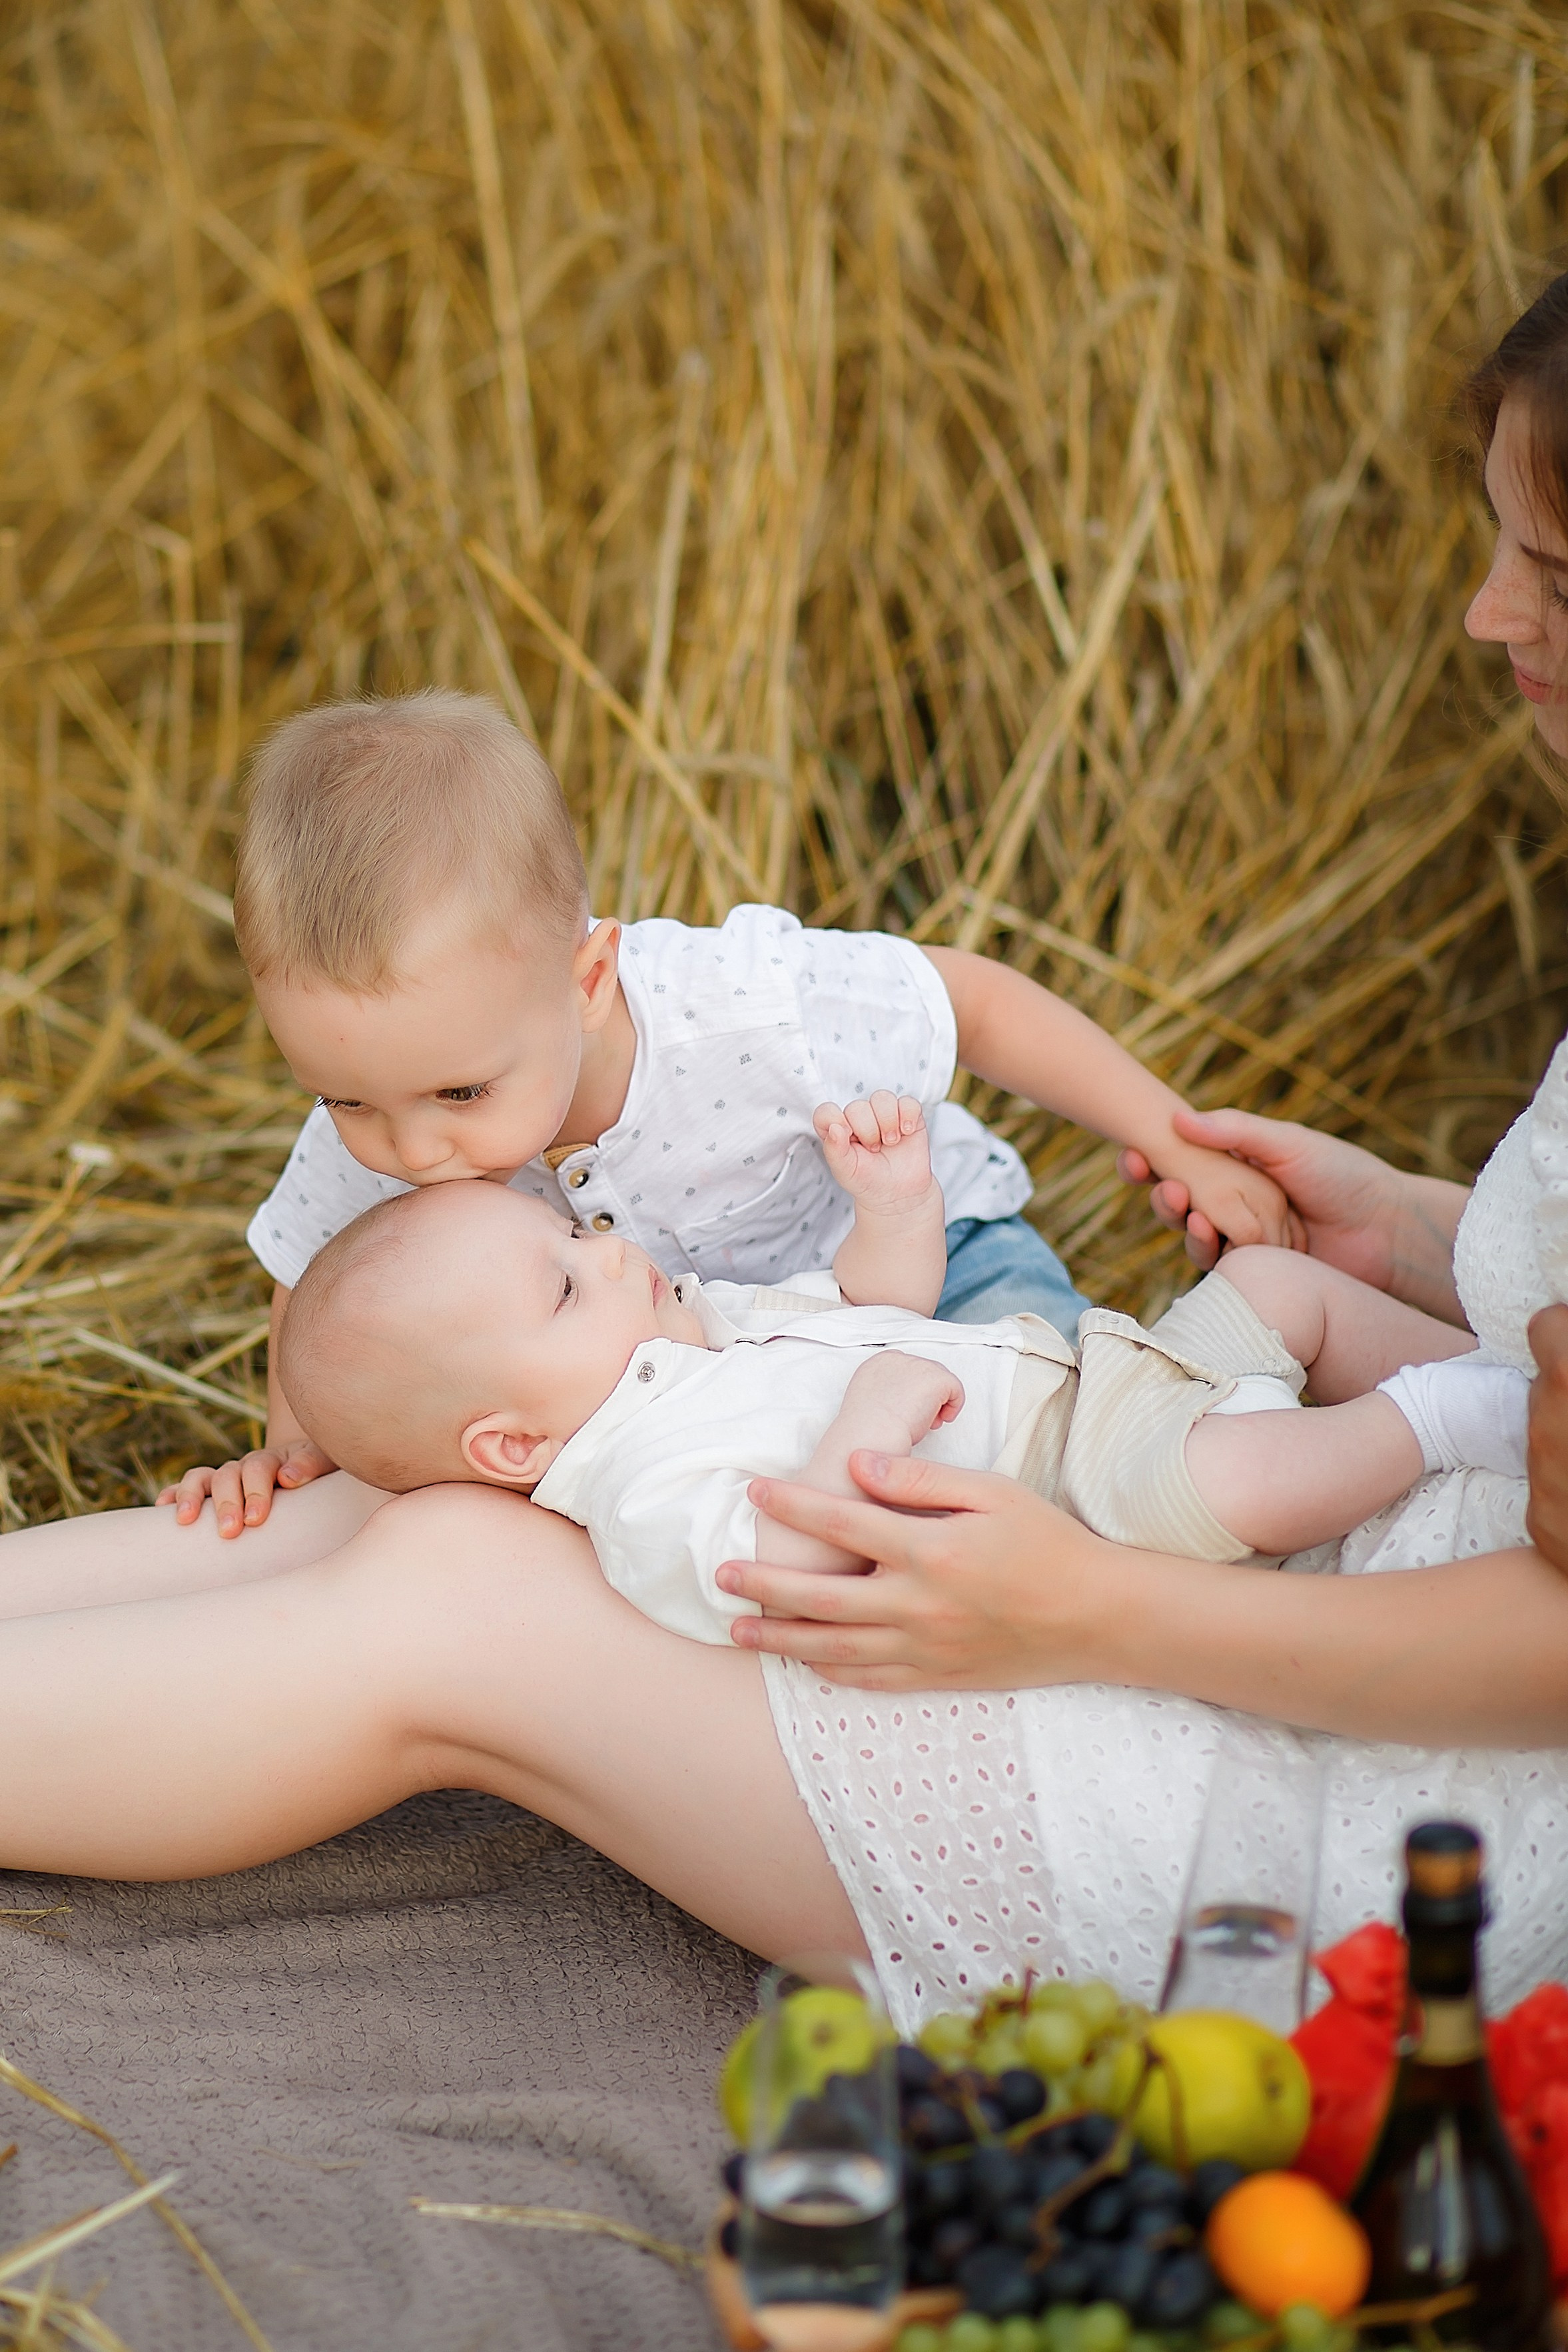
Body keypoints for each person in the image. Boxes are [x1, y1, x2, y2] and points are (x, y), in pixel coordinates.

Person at [0, 283, 1567, 2032]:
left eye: (1550, 573)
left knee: (455, 1586)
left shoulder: (726, 1011)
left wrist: (1090, 1603)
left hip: (1362, 1772)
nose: (1483, 606)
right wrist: (1434, 1232)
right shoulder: (458, 1175)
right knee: (417, 1481)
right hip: (1298, 1554)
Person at [157, 687, 1292, 1539]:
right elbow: (316, 1278)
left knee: (1068, 1435)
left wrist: (1165, 1131)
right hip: (704, 1378)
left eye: (461, 1094)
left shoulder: (744, 1009)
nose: (412, 1152)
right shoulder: (394, 1111)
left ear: (587, 981)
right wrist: (292, 1452)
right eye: (343, 1099)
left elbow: (974, 1004)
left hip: (926, 1263)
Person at [280, 1095, 1509, 1647]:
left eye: (577, 1235)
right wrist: (859, 1433)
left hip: (1098, 1372)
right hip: (1082, 1492)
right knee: (1239, 1477)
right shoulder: (640, 1485)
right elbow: (773, 1584)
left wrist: (894, 1203)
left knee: (1280, 1292)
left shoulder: (705, 1327)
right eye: (562, 1285)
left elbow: (881, 1305)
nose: (607, 1256)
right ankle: (1439, 1418)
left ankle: (1500, 1374)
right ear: (507, 1444)